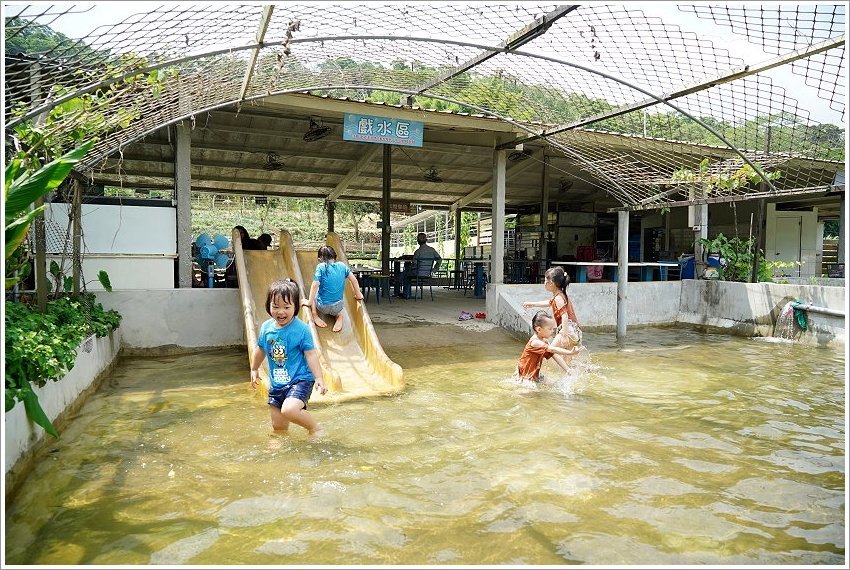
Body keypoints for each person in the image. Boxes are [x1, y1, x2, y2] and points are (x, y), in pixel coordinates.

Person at [250, 279, 327, 440]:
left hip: (300, 380)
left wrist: (319, 377)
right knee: (278, 425)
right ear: (268, 306)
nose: (281, 312)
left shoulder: (302, 329)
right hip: (277, 384)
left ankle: (315, 428)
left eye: (286, 307)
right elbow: (261, 349)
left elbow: (311, 354)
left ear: (295, 307)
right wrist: (254, 368)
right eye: (275, 306)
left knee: (289, 410)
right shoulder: (266, 328)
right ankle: (279, 440)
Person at [522, 266, 582, 361]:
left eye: (545, 280)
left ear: (551, 283)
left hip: (568, 330)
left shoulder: (558, 298)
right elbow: (549, 302)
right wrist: (532, 304)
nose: (544, 283)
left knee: (549, 353)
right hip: (574, 331)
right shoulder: (560, 296)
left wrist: (564, 335)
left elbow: (564, 316)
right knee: (567, 360)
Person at [306, 245, 364, 333]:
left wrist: (309, 302)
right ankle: (339, 316)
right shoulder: (342, 265)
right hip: (338, 306)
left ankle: (315, 315)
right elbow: (354, 280)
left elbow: (315, 285)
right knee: (337, 308)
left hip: (323, 307)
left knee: (315, 290)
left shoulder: (320, 267)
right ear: (334, 256)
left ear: (319, 259)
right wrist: (358, 295)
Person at [516, 310, 584, 382]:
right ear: (539, 329)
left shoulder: (544, 341)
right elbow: (552, 349)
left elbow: (554, 355)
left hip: (535, 374)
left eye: (553, 328)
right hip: (525, 376)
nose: (552, 331)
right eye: (550, 329)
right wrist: (570, 352)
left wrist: (568, 369)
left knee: (554, 384)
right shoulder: (535, 342)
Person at [401, 232, 442, 298]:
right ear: (426, 240)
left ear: (418, 241)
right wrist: (435, 269)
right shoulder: (432, 250)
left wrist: (410, 267)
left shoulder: (418, 252)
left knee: (406, 274)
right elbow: (439, 260)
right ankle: (406, 293)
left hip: (418, 273)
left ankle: (406, 294)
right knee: (407, 272)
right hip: (428, 273)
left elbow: (414, 264)